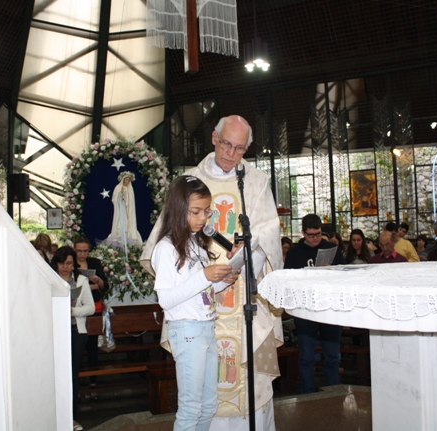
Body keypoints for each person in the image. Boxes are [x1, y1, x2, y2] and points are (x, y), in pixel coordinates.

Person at [142, 115, 283, 430]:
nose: (232, 154)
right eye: (226, 144)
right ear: (214, 138)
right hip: (192, 322)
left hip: (240, 299)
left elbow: (269, 233)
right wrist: (207, 275)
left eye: (240, 148)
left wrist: (249, 252)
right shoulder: (189, 183)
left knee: (211, 399)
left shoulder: (256, 182)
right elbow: (165, 241)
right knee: (195, 404)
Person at [151, 175, 238, 431]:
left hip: (206, 327)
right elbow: (166, 300)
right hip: (187, 330)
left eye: (206, 211)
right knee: (191, 408)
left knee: (209, 406)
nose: (203, 218)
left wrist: (223, 281)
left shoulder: (196, 242)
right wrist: (204, 276)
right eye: (196, 211)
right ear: (178, 209)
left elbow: (201, 291)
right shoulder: (166, 248)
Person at [284, 214, 346, 394]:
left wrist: (333, 271)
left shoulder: (332, 248)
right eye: (311, 235)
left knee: (332, 357)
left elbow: (347, 275)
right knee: (306, 357)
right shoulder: (295, 253)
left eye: (318, 234)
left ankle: (333, 393)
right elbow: (288, 280)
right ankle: (307, 394)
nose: (315, 238)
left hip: (330, 308)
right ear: (303, 233)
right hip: (306, 310)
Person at [50, 246, 95, 431]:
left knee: (72, 375)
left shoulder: (81, 280)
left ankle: (72, 418)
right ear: (56, 263)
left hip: (76, 332)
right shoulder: (50, 279)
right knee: (55, 374)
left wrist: (72, 311)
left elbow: (91, 308)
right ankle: (54, 416)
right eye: (61, 263)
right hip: (55, 332)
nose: (65, 267)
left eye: (68, 263)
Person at [74, 236, 109, 400]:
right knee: (77, 348)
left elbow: (105, 286)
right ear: (74, 250)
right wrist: (87, 286)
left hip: (93, 307)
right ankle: (76, 383)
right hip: (77, 307)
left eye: (85, 251)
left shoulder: (94, 263)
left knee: (92, 347)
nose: (82, 254)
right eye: (79, 251)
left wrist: (98, 281)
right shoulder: (71, 264)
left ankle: (93, 383)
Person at [107, 171, 142, 244]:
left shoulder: (130, 189)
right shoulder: (118, 187)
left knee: (127, 220)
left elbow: (131, 201)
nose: (127, 181)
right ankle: (120, 234)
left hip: (127, 209)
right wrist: (121, 194)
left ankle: (127, 234)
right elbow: (114, 199)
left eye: (129, 180)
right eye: (126, 179)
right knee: (120, 221)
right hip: (120, 208)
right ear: (123, 179)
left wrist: (127, 202)